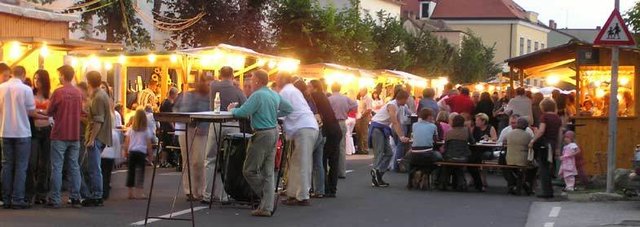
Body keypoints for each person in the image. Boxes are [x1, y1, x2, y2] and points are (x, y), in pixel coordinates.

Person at [228, 69, 293, 217]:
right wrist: (273, 114)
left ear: (257, 80)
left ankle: (267, 196)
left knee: (249, 170)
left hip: (262, 133)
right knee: (268, 171)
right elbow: (289, 109)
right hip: (273, 132)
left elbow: (243, 112)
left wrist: (232, 110)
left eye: (251, 79)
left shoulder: (257, 95)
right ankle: (266, 207)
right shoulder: (273, 94)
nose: (250, 82)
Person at [0, 66, 46, 209]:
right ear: (24, 74)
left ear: (12, 74)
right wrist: (44, 114)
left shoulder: (1, 87)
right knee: (21, 166)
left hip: (5, 131)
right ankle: (17, 199)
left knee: (7, 165)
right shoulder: (26, 90)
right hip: (22, 132)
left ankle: (5, 198)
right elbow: (31, 112)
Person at [277, 73, 319, 206]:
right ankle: (295, 193)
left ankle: (302, 195)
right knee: (297, 162)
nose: (276, 81)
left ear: (281, 80)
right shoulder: (293, 90)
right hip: (307, 126)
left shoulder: (285, 91)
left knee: (301, 162)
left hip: (303, 127)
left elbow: (282, 111)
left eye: (277, 78)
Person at [46, 65, 83, 208]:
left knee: (57, 167)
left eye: (59, 75)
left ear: (62, 75)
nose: (58, 77)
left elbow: (49, 111)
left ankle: (55, 198)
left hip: (59, 133)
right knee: (74, 166)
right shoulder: (78, 93)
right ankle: (75, 197)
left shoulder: (58, 92)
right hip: (74, 134)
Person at [173, 75, 212, 201]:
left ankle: (200, 190)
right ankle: (189, 190)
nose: (209, 84)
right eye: (207, 81)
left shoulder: (210, 97)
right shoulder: (188, 95)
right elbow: (177, 109)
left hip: (202, 130)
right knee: (187, 160)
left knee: (199, 161)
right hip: (187, 128)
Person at [82, 71, 113, 207]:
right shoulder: (101, 95)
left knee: (93, 167)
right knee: (90, 166)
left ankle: (96, 194)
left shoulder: (98, 97)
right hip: (100, 135)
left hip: (97, 136)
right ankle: (94, 193)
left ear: (88, 81)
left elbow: (98, 120)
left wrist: (91, 139)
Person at [369, 90, 411, 187]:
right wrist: (401, 136)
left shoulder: (400, 107)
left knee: (389, 153)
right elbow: (394, 121)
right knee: (379, 152)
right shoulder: (392, 105)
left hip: (383, 128)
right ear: (403, 99)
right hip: (377, 128)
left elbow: (399, 122)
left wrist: (402, 136)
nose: (407, 101)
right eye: (406, 99)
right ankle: (376, 173)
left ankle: (378, 173)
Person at [309, 80, 342, 198]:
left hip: (328, 131)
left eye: (309, 86)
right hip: (336, 129)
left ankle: (324, 187)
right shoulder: (323, 96)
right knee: (333, 160)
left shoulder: (315, 96)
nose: (308, 89)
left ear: (315, 88)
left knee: (321, 160)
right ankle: (332, 189)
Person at [26, 69, 52, 205]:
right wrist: (43, 113)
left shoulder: (50, 95)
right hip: (34, 130)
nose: (36, 81)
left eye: (39, 79)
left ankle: (41, 193)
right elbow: (31, 112)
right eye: (35, 78)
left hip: (47, 129)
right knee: (32, 162)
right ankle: (30, 192)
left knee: (45, 163)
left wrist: (39, 112)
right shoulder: (30, 94)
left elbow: (52, 112)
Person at [529, 98, 562, 199]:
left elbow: (542, 131)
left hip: (544, 144)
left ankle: (546, 191)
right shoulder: (557, 118)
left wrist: (533, 140)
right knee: (548, 167)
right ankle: (549, 190)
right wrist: (557, 147)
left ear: (543, 107)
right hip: (552, 144)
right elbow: (560, 134)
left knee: (543, 168)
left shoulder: (544, 117)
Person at [328, 83, 357, 179]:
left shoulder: (330, 99)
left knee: (331, 147)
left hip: (332, 123)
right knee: (341, 147)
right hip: (342, 122)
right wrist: (347, 110)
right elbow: (355, 105)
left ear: (332, 89)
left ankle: (331, 170)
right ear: (340, 88)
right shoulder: (345, 98)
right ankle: (341, 171)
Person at [123, 109, 153, 199]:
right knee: (141, 172)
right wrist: (150, 155)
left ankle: (130, 193)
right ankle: (139, 193)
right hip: (141, 153)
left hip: (132, 152)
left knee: (131, 172)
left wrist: (125, 151)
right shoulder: (146, 130)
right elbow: (149, 144)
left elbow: (127, 141)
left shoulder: (131, 129)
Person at [439, 115, 474, 191]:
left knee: (447, 164)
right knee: (459, 166)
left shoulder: (449, 132)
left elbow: (446, 146)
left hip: (450, 157)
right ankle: (461, 183)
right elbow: (472, 142)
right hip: (463, 157)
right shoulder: (466, 130)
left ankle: (443, 182)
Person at [503, 117, 534, 195]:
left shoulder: (509, 134)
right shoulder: (528, 135)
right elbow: (532, 145)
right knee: (532, 168)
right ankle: (525, 186)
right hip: (523, 160)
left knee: (510, 169)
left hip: (509, 159)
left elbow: (504, 142)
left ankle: (511, 186)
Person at [469, 113, 497, 192]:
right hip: (476, 149)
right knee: (473, 156)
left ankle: (481, 179)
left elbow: (495, 139)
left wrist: (489, 138)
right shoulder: (474, 128)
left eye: (478, 120)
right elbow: (471, 138)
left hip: (487, 149)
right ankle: (476, 178)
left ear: (483, 121)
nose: (476, 122)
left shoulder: (490, 128)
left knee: (483, 156)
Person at [100, 103, 122, 200]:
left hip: (102, 155)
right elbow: (117, 146)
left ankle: (100, 190)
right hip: (110, 156)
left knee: (100, 173)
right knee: (107, 175)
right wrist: (118, 159)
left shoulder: (101, 132)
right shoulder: (114, 133)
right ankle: (106, 192)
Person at [159, 87, 178, 168]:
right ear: (173, 94)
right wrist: (174, 127)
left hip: (163, 126)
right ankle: (164, 161)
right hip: (167, 127)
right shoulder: (168, 104)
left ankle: (165, 161)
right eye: (176, 94)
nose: (177, 96)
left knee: (166, 144)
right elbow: (169, 117)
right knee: (167, 145)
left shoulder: (163, 102)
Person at [355, 87, 373, 154]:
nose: (360, 92)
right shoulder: (361, 98)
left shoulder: (368, 99)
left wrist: (362, 115)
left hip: (364, 118)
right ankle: (360, 148)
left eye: (361, 91)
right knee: (359, 133)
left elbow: (369, 109)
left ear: (365, 91)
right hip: (359, 117)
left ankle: (365, 149)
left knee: (364, 133)